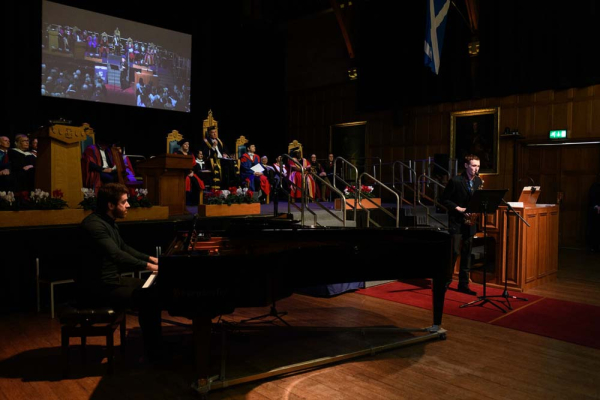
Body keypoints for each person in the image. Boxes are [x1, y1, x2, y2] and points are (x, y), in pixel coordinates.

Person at [78, 183, 161, 360]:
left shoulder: (107, 222)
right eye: (124, 202)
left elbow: (123, 247)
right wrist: (150, 267)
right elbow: (116, 255)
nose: (128, 205)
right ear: (110, 205)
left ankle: (154, 347)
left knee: (153, 289)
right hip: (97, 288)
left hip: (110, 281)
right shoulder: (94, 225)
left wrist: (152, 259)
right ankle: (154, 353)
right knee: (149, 298)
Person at [441, 154, 483, 295]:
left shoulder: (478, 181)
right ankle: (445, 282)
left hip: (470, 222)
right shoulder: (455, 181)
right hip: (457, 221)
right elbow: (443, 199)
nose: (476, 169)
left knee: (467, 254)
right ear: (466, 166)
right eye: (473, 166)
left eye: (478, 166)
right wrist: (458, 209)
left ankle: (463, 285)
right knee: (454, 253)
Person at [588, 177, 600, 253]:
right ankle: (593, 247)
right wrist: (597, 206)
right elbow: (592, 198)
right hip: (595, 213)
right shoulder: (595, 186)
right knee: (594, 230)